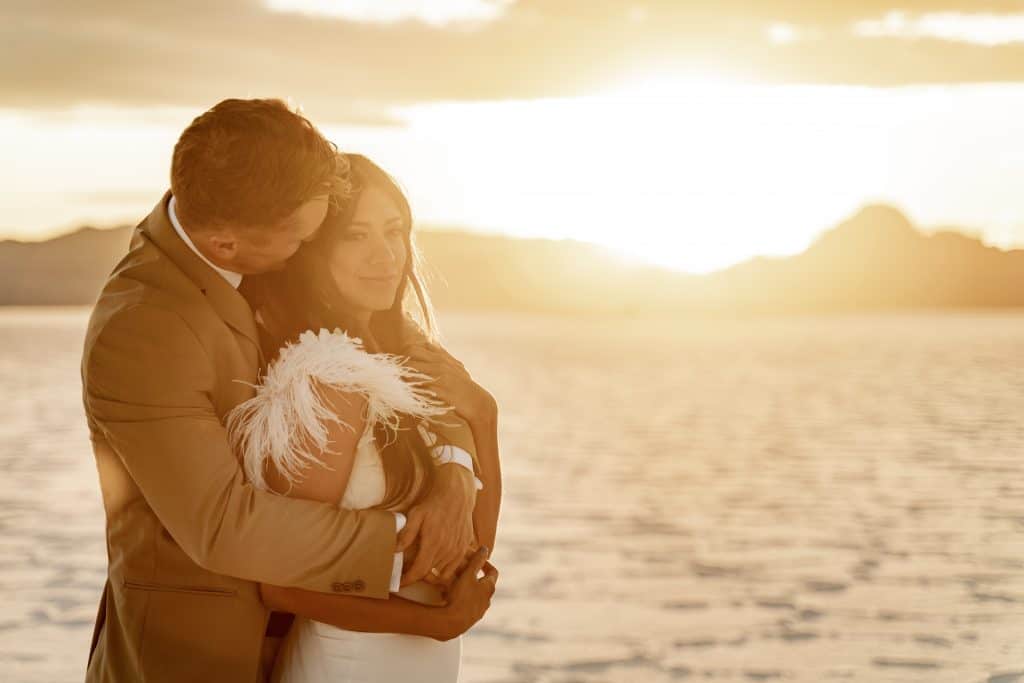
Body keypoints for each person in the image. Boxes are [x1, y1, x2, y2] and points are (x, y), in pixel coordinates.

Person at [81, 99, 491, 682]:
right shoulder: (143, 328)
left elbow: (412, 372)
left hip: (313, 638)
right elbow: (222, 523)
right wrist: (414, 541)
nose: (313, 249)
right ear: (226, 244)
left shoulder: (256, 214)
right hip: (198, 653)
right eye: (304, 238)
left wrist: (452, 470)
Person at [227, 153, 503, 681]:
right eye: (356, 236)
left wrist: (483, 416)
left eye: (394, 231)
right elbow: (282, 584)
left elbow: (470, 549)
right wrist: (434, 623)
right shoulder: (326, 379)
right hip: (347, 663)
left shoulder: (415, 366)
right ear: (313, 251)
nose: (385, 255)